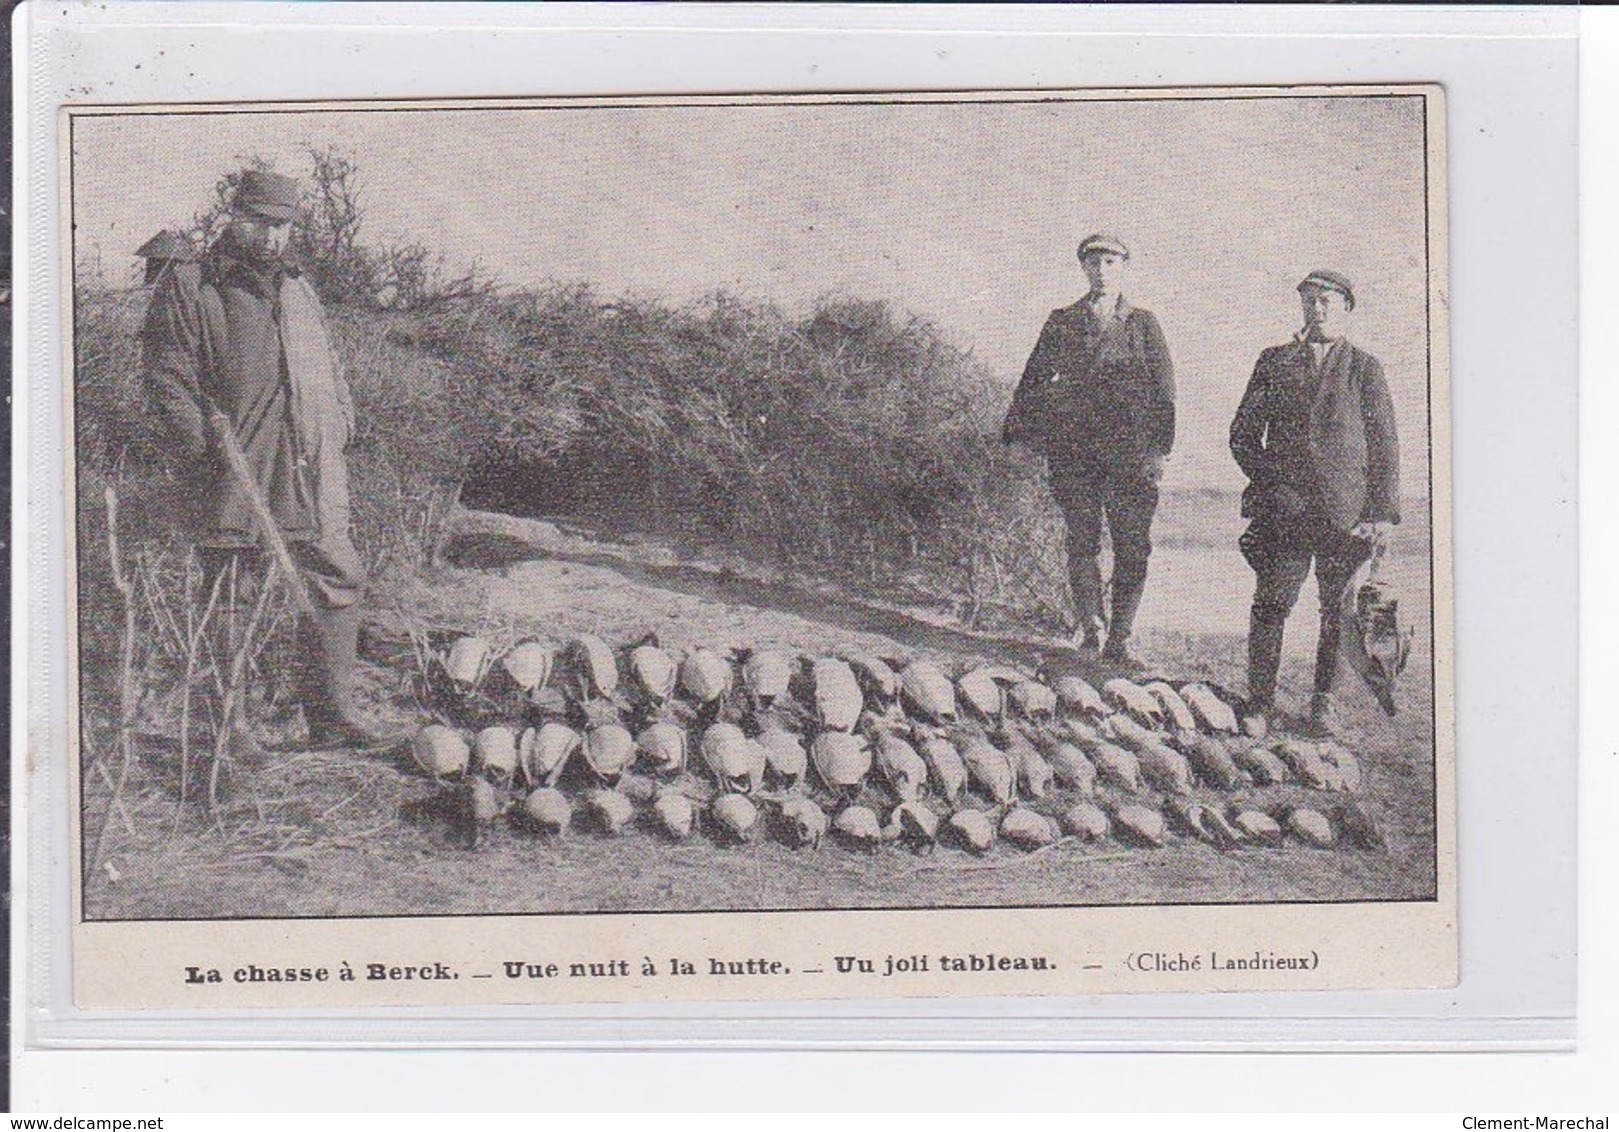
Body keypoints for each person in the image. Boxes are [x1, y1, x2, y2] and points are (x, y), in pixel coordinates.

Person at [141, 169, 387, 750]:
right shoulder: (193, 285)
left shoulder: (297, 287)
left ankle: (330, 716)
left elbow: (329, 365)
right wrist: (204, 452)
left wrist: (342, 422)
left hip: (311, 460)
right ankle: (231, 725)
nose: (275, 238)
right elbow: (167, 378)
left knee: (336, 576)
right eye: (265, 224)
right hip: (237, 463)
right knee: (232, 588)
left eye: (286, 227)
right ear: (237, 218)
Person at [1229, 269, 1400, 737]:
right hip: (1284, 513)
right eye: (1309, 301)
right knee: (1271, 604)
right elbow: (1242, 436)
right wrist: (1273, 482)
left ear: (1346, 307)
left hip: (1345, 517)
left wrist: (1381, 514)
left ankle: (1323, 702)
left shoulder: (1365, 369)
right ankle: (1259, 703)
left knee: (1337, 613)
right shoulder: (1274, 362)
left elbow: (1385, 447)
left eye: (1326, 301)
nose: (1316, 309)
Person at [1003, 233, 1175, 665]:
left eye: (1111, 263)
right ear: (1084, 268)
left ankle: (1121, 636)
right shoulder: (1061, 321)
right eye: (1094, 263)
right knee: (1081, 542)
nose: (1102, 270)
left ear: (1124, 267)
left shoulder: (1143, 323)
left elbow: (1165, 393)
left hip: (1131, 455)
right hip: (1075, 452)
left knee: (1133, 545)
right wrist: (1020, 437)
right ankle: (1091, 627)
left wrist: (1158, 450)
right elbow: (1033, 381)